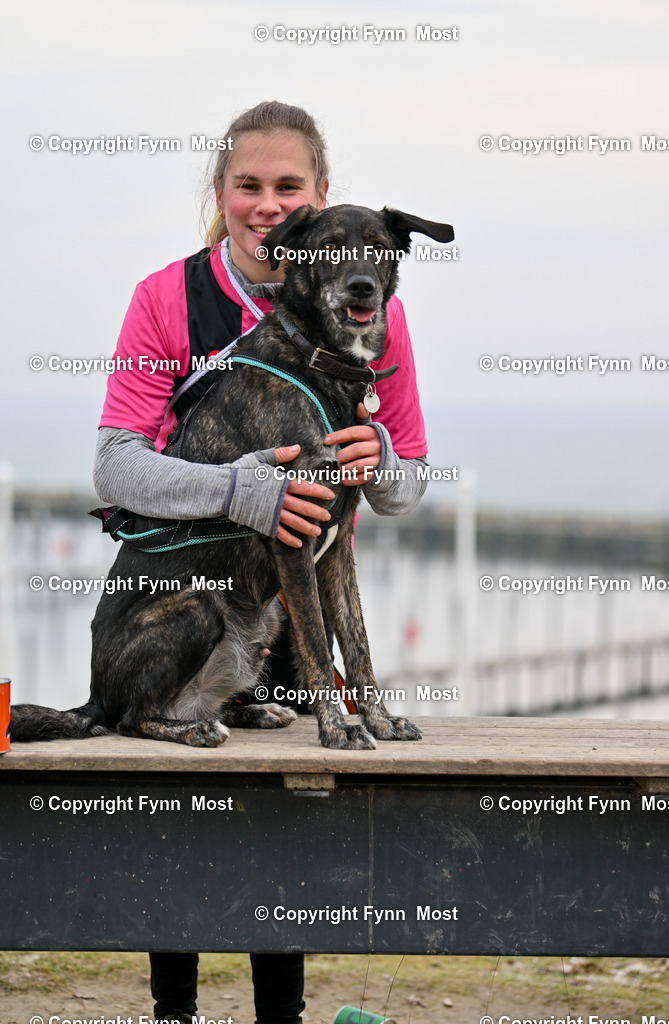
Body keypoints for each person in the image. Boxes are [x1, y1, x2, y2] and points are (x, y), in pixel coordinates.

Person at [94, 100, 430, 1024]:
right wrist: (241, 490)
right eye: (250, 185)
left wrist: (384, 462)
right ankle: (174, 1016)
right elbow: (116, 466)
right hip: (196, 599)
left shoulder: (368, 312)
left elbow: (404, 488)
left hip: (291, 638)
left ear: (321, 196)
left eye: (289, 186)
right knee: (185, 851)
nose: (269, 204)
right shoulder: (168, 297)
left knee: (282, 861)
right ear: (222, 192)